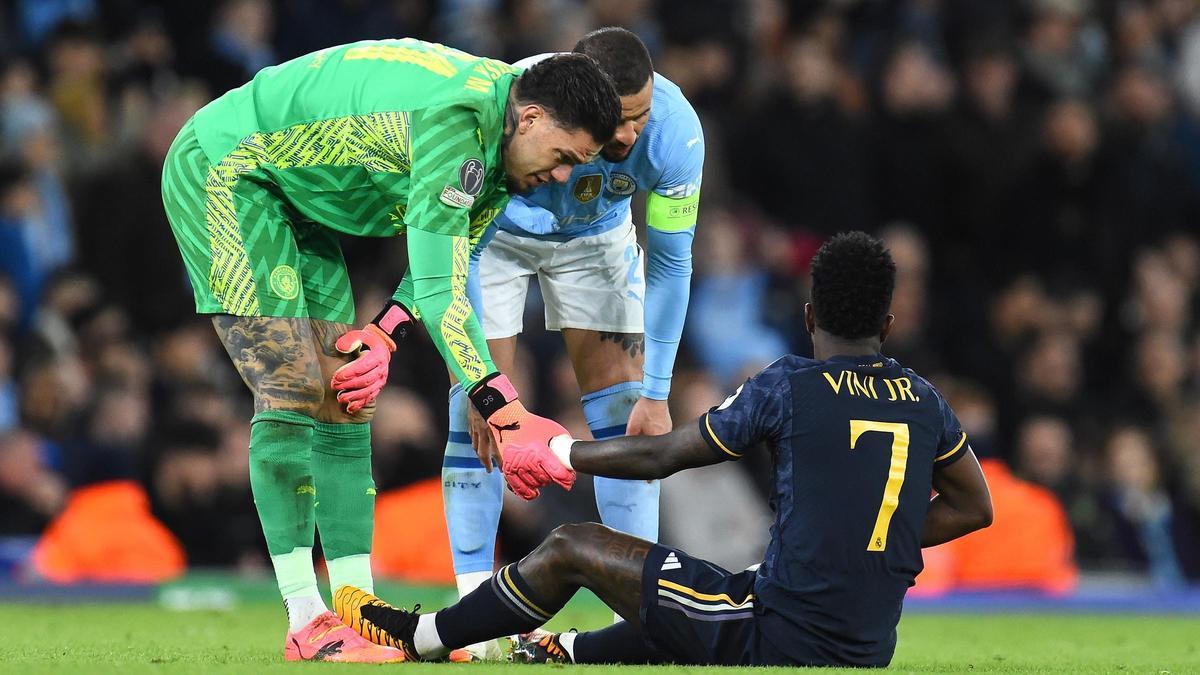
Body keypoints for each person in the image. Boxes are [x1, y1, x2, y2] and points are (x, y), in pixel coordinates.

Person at [160, 38, 620, 663]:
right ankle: (306, 622)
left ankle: (358, 612)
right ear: (533, 117)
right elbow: (439, 290)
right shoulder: (455, 125)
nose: (562, 177)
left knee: (348, 398)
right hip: (228, 169)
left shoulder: (502, 151)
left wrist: (383, 333)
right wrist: (504, 410)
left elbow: (443, 272)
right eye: (565, 156)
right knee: (293, 391)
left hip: (299, 204)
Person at [334, 231, 993, 667]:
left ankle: (416, 637)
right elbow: (974, 506)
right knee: (682, 593)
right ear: (888, 322)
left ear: (811, 314)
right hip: (863, 645)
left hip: (780, 636)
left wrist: (562, 451)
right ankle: (557, 648)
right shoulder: (922, 399)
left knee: (576, 547)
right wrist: (885, 539)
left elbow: (664, 454)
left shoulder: (791, 386)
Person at [440, 28, 703, 658]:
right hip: (493, 234)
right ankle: (474, 603)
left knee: (629, 415)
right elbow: (453, 230)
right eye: (621, 121)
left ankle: (640, 612)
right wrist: (478, 382)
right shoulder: (516, 99)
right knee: (480, 408)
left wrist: (660, 392)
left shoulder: (676, 134)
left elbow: (670, 263)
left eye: (643, 115)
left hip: (596, 240)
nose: (634, 135)